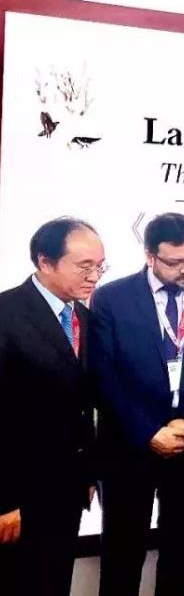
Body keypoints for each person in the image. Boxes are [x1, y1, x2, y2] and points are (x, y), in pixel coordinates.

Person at [90, 213, 184, 596]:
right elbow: (103, 376)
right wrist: (148, 432)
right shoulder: (112, 298)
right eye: (177, 262)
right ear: (150, 256)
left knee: (182, 552)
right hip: (129, 446)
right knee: (122, 554)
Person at [0, 218, 106, 596]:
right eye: (84, 266)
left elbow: (84, 404)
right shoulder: (7, 314)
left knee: (54, 582)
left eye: (100, 266)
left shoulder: (85, 318)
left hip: (67, 489)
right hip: (18, 494)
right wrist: (5, 501)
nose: (94, 277)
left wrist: (87, 474)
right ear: (45, 261)